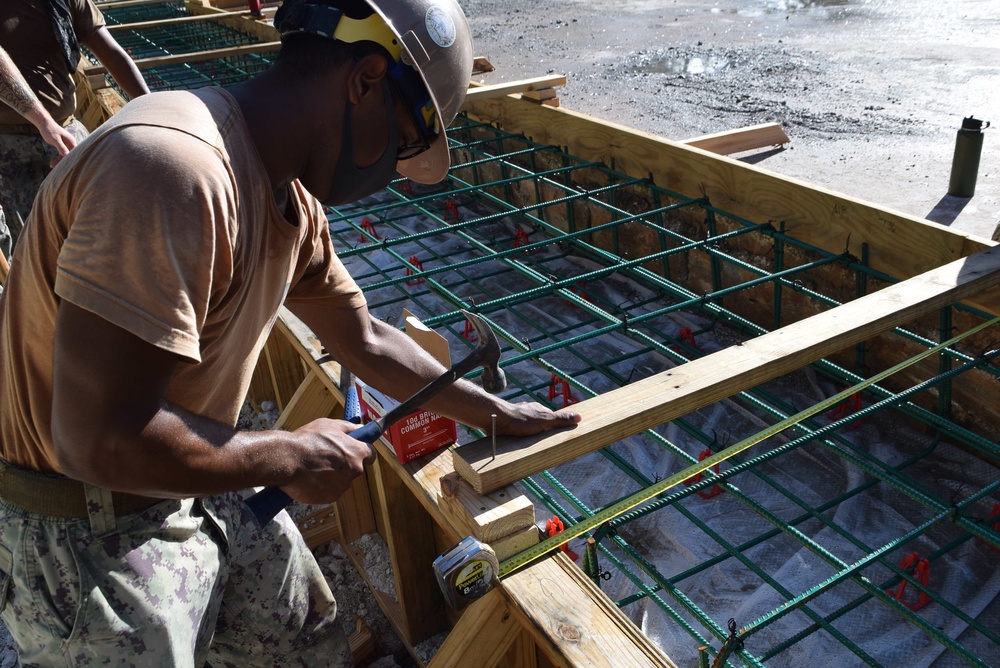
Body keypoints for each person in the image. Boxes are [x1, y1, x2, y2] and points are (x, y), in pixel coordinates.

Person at [0, 0, 581, 665]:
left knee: (305, 638)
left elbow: (364, 339)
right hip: (80, 526)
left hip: (183, 472)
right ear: (364, 81)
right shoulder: (171, 169)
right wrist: (286, 455)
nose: (394, 171)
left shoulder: (288, 200)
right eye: (403, 145)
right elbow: (96, 438)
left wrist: (495, 412)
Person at [0, 0, 150, 259]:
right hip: (7, 147)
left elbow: (112, 52)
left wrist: (151, 106)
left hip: (66, 135)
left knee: (96, 240)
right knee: (22, 255)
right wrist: (44, 123)